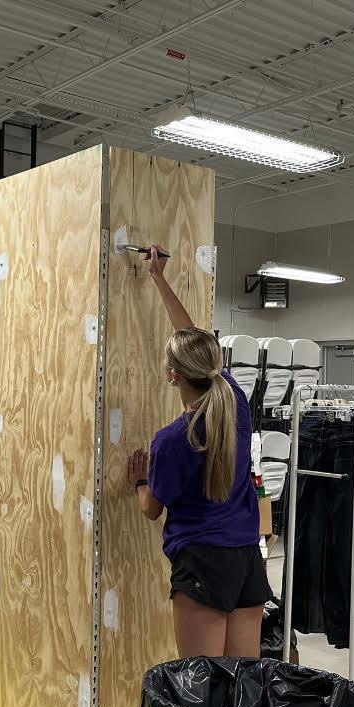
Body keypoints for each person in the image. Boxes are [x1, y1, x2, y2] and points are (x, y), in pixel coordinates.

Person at [126, 247, 269, 658]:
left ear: (173, 375)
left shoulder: (172, 440)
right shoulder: (235, 402)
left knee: (201, 683)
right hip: (246, 560)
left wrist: (139, 481)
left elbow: (152, 508)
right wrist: (158, 277)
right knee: (242, 682)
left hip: (203, 564)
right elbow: (192, 337)